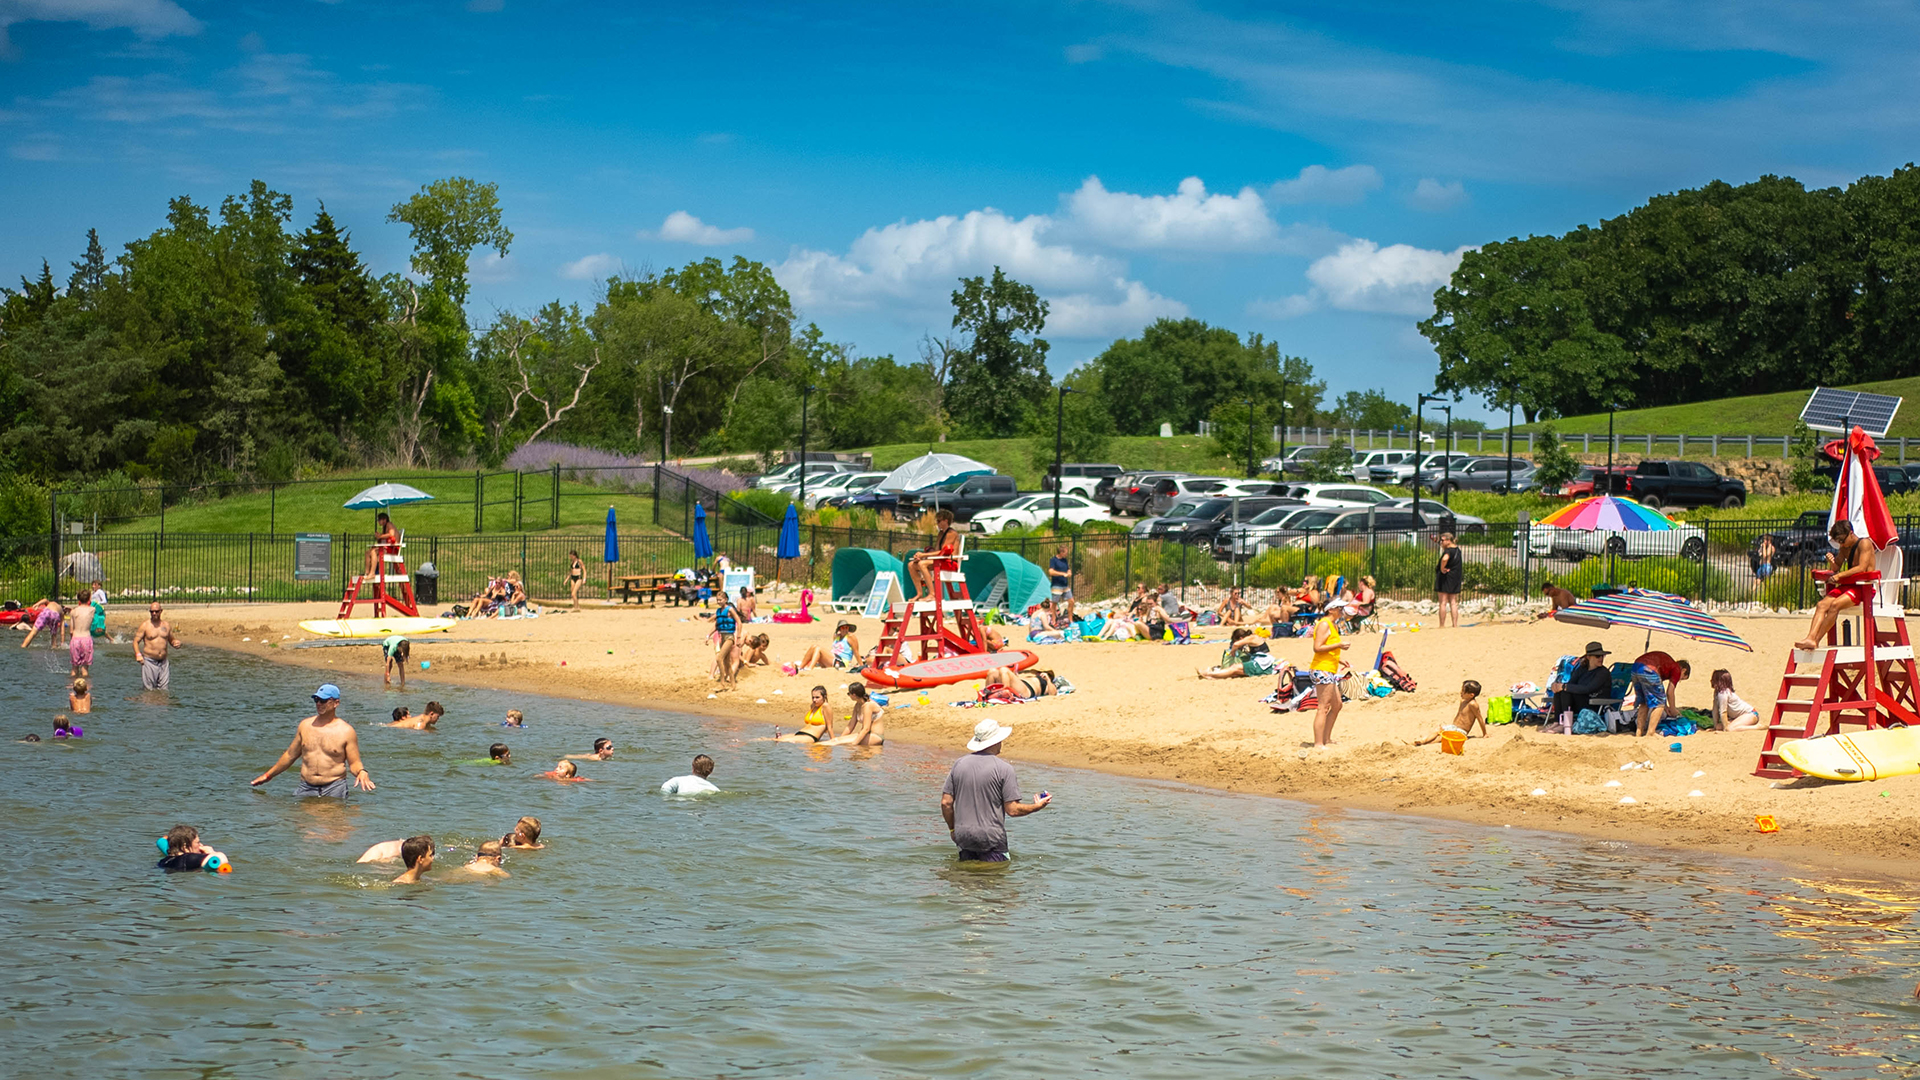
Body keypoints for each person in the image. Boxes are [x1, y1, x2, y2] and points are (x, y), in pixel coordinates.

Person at [940, 718, 1051, 862]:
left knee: (965, 879)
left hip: (963, 835)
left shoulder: (959, 764)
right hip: (991, 838)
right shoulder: (1004, 769)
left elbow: (946, 803)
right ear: (996, 741)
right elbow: (1013, 810)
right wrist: (1036, 806)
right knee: (995, 879)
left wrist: (953, 830)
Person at [249, 684, 375, 797]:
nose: (319, 704)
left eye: (323, 700)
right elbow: (289, 756)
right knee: (299, 821)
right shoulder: (305, 726)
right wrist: (268, 776)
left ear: (336, 703)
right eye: (316, 700)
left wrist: (361, 772)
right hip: (306, 786)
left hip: (334, 787)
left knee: (334, 821)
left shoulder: (346, 731)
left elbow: (354, 763)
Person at [1796, 519, 1879, 651]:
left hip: (1863, 588)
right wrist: (1832, 562)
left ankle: (1816, 640)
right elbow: (1836, 567)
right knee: (1821, 605)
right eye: (1838, 541)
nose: (1841, 544)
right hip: (1849, 586)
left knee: (1834, 605)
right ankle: (1810, 638)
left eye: (1842, 540)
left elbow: (1861, 568)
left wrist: (1839, 576)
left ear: (1851, 533)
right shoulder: (1844, 547)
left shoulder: (1864, 543)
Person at [1308, 612, 1349, 748]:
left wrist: (1339, 659)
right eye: (1339, 608)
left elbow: (1326, 649)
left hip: (1329, 669)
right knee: (1323, 707)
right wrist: (1339, 645)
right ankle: (1318, 743)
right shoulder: (1324, 624)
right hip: (1321, 669)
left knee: (1337, 705)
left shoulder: (1333, 625)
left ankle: (1326, 739)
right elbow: (1317, 647)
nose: (1342, 610)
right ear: (1331, 610)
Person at [1631, 650, 1690, 737]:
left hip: (1636, 667)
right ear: (1683, 670)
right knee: (1659, 705)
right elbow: (1670, 692)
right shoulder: (1676, 668)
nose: (1679, 680)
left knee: (1644, 702)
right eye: (1682, 678)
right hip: (1649, 669)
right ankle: (1650, 732)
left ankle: (1639, 733)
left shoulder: (1668, 665)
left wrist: (1666, 707)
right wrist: (1673, 709)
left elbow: (1656, 692)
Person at [1552, 642, 1615, 720]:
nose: (1601, 659)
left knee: (1566, 692)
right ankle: (1557, 722)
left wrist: (1564, 686)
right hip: (1584, 701)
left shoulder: (1603, 672)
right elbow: (1571, 683)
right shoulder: (1582, 669)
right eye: (1597, 656)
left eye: (1602, 656)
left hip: (1596, 704)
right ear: (1588, 657)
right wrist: (1557, 686)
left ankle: (1565, 723)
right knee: (1561, 692)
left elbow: (1588, 688)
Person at [1414, 680, 1487, 746]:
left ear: (1471, 695)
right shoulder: (1463, 701)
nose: (1461, 692)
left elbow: (1480, 719)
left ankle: (1423, 743)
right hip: (1453, 727)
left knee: (1441, 738)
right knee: (1438, 729)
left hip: (1461, 731)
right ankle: (1423, 741)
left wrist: (1485, 733)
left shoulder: (1473, 704)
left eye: (1463, 691)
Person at [907, 509, 960, 599]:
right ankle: (919, 593)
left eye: (939, 521)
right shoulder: (941, 533)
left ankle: (932, 594)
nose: (937, 523)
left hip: (950, 563)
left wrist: (924, 556)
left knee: (922, 564)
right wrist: (921, 556)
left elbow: (944, 551)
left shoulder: (951, 533)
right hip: (941, 561)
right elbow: (936, 551)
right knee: (911, 565)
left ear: (946, 521)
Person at [133, 603, 181, 691]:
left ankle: (161, 704)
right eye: (152, 612)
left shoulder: (166, 625)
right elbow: (136, 641)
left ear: (161, 611)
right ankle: (149, 704)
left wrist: (175, 643)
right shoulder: (145, 625)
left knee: (164, 690)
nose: (154, 613)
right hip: (149, 661)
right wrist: (138, 654)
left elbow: (171, 639)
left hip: (163, 662)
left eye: (156, 611)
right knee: (149, 690)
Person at [1196, 628, 1276, 679]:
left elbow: (1236, 645)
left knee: (1234, 667)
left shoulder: (1251, 638)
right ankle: (1212, 676)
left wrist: (1233, 652)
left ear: (1241, 638)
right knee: (1235, 672)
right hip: (1262, 663)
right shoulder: (1252, 638)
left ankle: (1208, 674)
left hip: (1261, 663)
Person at [770, 685, 837, 742]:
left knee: (779, 740)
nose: (814, 700)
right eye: (813, 697)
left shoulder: (825, 706)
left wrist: (833, 740)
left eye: (817, 697)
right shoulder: (813, 706)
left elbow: (829, 727)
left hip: (811, 736)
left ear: (824, 697)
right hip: (800, 733)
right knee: (773, 739)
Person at [156, 825, 229, 873]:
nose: (201, 845)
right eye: (197, 842)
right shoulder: (190, 858)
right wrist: (211, 852)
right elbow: (221, 858)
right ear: (185, 847)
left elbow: (162, 841)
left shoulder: (164, 861)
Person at [711, 591, 741, 687]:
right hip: (722, 637)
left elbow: (739, 622)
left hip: (729, 637)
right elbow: (716, 625)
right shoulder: (718, 611)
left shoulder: (730, 610)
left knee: (719, 658)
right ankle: (733, 684)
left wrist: (739, 637)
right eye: (717, 600)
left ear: (726, 600)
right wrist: (708, 635)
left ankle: (722, 681)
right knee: (727, 662)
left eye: (720, 600)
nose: (719, 602)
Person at [1434, 532, 1463, 628]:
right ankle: (1454, 624)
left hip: (1446, 577)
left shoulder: (1448, 551)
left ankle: (1442, 625)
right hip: (1455, 577)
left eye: (1442, 540)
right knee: (1453, 602)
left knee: (1443, 602)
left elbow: (1444, 559)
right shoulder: (1457, 550)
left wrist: (1442, 568)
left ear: (1448, 540)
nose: (1440, 542)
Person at [364, 511, 399, 582]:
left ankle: (372, 573)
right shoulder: (384, 527)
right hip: (387, 547)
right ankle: (367, 572)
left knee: (373, 552)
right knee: (368, 552)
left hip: (392, 549)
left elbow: (391, 534)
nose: (378, 522)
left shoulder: (389, 524)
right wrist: (379, 538)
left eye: (379, 520)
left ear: (384, 519)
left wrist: (380, 536)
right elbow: (384, 540)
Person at [67, 604, 92, 678]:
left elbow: (71, 631)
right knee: (85, 669)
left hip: (75, 639)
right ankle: (85, 688)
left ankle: (72, 688)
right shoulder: (92, 610)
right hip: (86, 639)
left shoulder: (73, 612)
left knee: (74, 668)